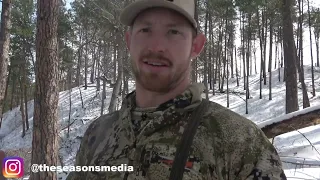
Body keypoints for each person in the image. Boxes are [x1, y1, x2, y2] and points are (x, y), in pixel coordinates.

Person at [67, 0, 287, 179]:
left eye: (173, 32)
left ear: (196, 46)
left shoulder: (238, 140)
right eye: (145, 29)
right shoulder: (96, 135)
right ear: (128, 40)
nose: (156, 46)